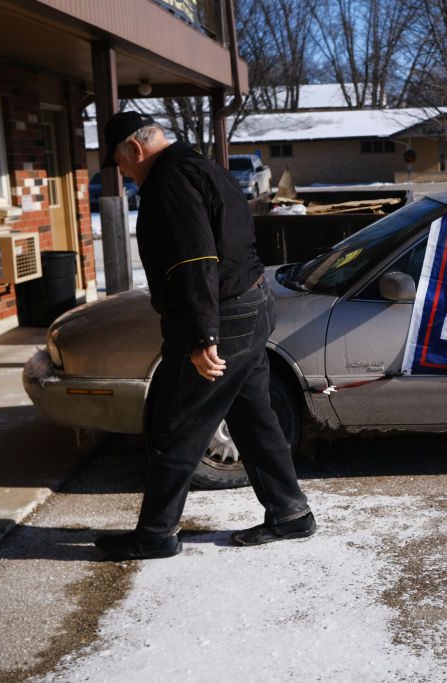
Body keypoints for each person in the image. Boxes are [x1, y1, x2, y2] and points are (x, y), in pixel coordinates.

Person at [93, 111, 315, 560]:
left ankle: (155, 534)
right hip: (250, 304)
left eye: (121, 164)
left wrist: (203, 336)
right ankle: (291, 514)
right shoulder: (203, 165)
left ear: (135, 149)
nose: (125, 175)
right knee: (253, 417)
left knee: (177, 422)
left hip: (221, 317)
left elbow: (195, 261)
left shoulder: (170, 181)